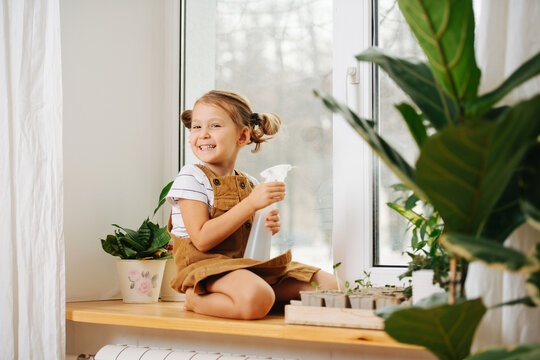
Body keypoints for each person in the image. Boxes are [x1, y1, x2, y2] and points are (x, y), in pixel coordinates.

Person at [166, 90, 337, 320]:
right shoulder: (190, 178)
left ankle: (257, 298)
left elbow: (248, 235)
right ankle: (196, 300)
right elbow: (202, 239)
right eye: (196, 127)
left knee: (330, 287)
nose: (203, 134)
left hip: (245, 267)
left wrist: (266, 224)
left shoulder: (250, 183)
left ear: (243, 136)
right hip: (205, 269)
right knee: (257, 296)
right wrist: (250, 205)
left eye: (214, 126)